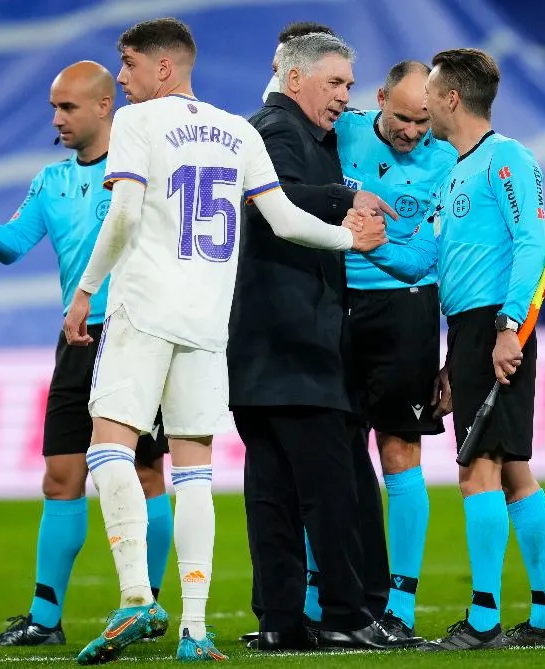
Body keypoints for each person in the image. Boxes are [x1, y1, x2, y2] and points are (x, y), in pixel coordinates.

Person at [63, 18, 380, 664]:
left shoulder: (137, 125)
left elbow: (124, 214)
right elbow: (285, 219)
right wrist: (350, 237)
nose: (119, 78)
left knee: (107, 448)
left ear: (162, 68)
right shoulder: (236, 129)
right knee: (195, 470)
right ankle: (194, 628)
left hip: (147, 307)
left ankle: (134, 595)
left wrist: (86, 289)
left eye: (126, 65)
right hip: (208, 322)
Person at [0, 61, 175, 649]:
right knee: (61, 478)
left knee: (147, 473)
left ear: (104, 106)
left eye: (67, 107)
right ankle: (44, 619)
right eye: (53, 107)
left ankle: (143, 606)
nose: (56, 119)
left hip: (137, 335)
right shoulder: (51, 181)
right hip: (76, 343)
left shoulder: (145, 167)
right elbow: (13, 246)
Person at [355, 47, 545, 651]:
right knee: (512, 471)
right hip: (470, 331)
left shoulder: (508, 159)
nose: (423, 103)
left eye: (432, 93)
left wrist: (507, 328)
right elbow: (429, 259)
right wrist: (365, 245)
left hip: (496, 325)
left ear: (451, 98)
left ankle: (482, 622)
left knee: (477, 472)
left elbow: (532, 244)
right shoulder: (455, 170)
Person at [228, 31, 413, 653]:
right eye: (334, 83)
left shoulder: (293, 130)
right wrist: (345, 198)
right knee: (331, 491)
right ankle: (346, 612)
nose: (343, 97)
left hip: (262, 351)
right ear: (295, 78)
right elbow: (269, 203)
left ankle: (280, 620)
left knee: (272, 495)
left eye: (348, 86)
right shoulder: (278, 130)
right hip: (296, 345)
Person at [299, 60, 457, 642]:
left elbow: (436, 256)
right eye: (403, 117)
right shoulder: (341, 130)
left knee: (399, 453)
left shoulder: (448, 161)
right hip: (334, 304)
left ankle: (400, 607)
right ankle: (319, 600)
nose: (414, 132)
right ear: (380, 97)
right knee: (329, 455)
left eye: (424, 121)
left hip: (406, 312)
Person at [260, 22, 337, 104]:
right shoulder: (267, 116)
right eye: (276, 71)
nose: (276, 80)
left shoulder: (350, 116)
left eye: (290, 71)